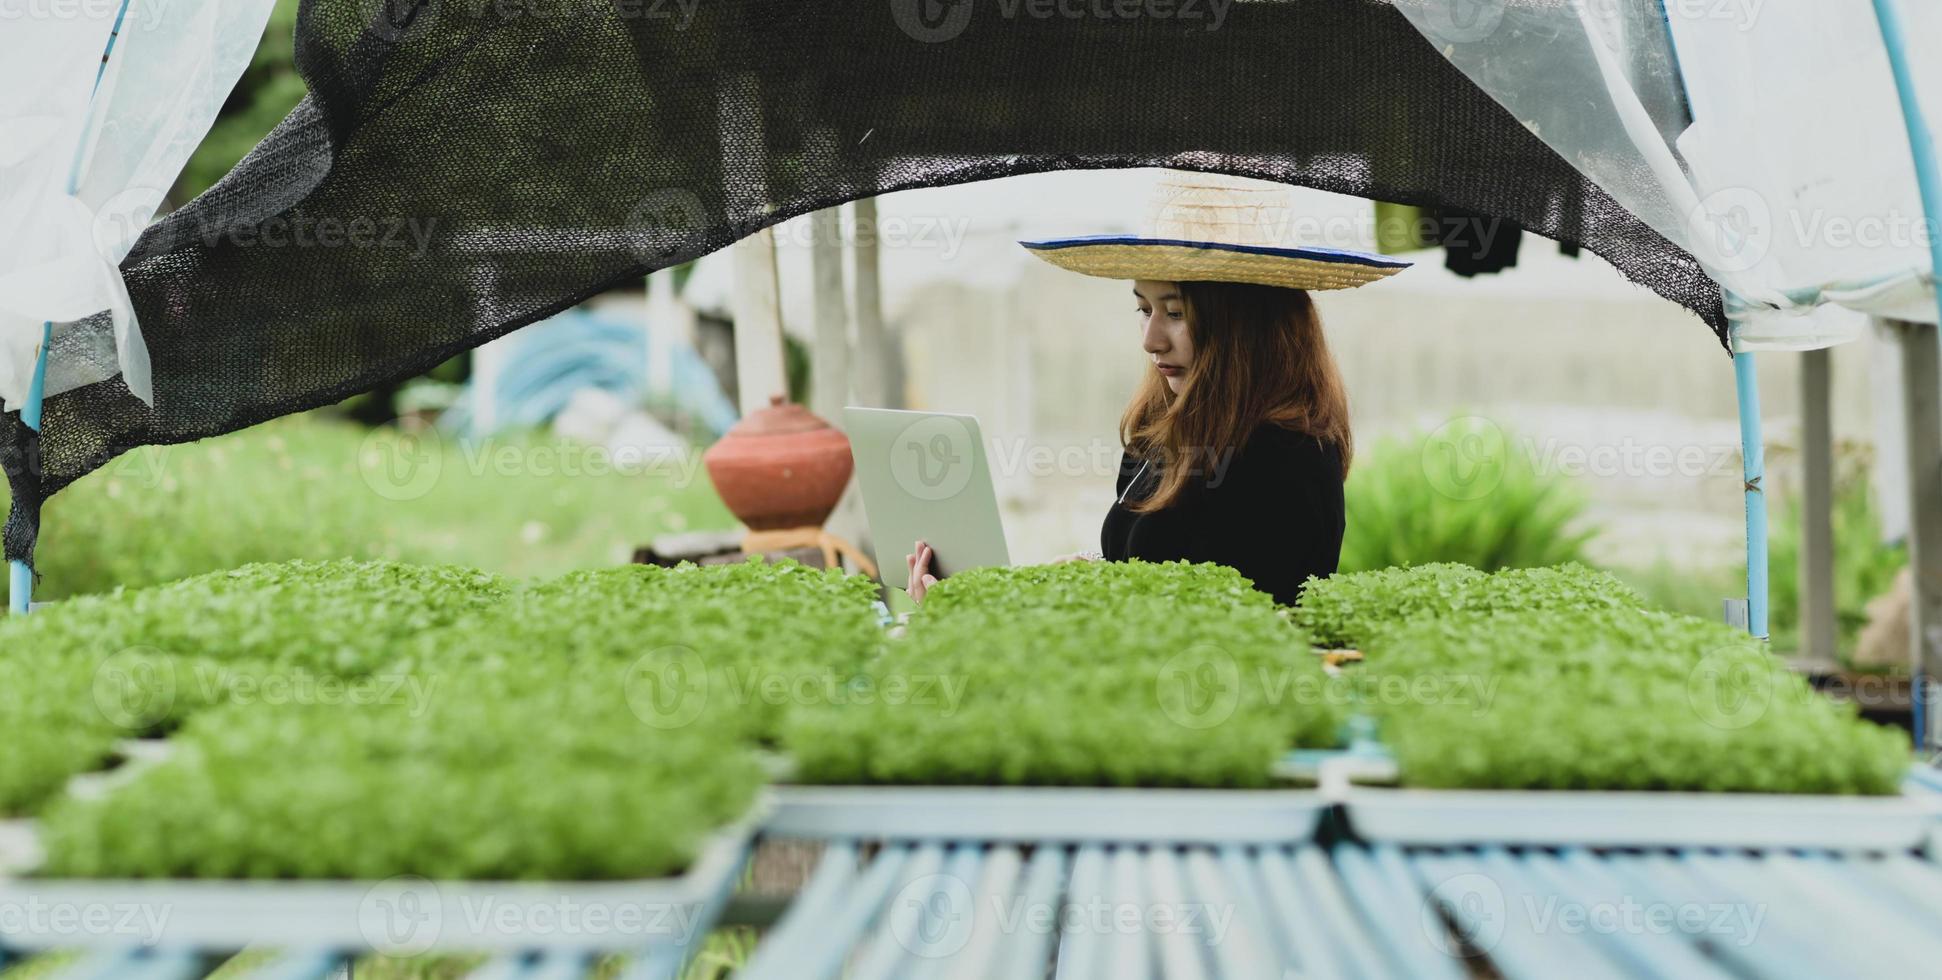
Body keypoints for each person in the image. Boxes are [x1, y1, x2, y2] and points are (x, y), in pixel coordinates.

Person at [906, 170, 1412, 605]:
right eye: (1144, 309)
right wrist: (1008, 593)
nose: (1150, 340)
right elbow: (1138, 573)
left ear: (1247, 327)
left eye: (1176, 312)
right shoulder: (1161, 430)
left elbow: (1227, 618)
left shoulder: (1287, 455)